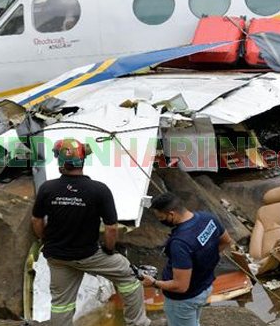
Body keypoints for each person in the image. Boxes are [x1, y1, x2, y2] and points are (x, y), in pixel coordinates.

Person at [32, 138, 153, 326]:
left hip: (57, 256)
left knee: (61, 304)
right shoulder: (99, 190)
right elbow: (111, 227)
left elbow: (37, 220)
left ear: (62, 162)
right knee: (130, 276)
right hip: (89, 254)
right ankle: (137, 323)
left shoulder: (47, 188)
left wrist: (44, 240)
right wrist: (109, 249)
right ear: (82, 161)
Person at [141, 192, 233, 326]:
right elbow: (226, 240)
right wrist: (205, 261)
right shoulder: (208, 218)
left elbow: (181, 286)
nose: (160, 221)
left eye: (161, 217)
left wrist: (154, 283)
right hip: (205, 286)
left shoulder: (180, 243)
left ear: (171, 214)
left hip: (184, 300)